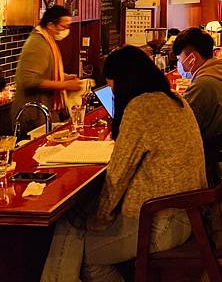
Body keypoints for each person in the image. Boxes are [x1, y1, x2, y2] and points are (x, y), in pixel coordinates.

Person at [41, 45, 206, 282]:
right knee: (72, 224)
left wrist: (100, 220)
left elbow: (117, 177)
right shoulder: (175, 100)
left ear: (125, 83)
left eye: (113, 88)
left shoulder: (140, 109)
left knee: (80, 251)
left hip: (159, 223)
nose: (115, 96)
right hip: (188, 214)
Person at [12, 5, 82, 135]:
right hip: (34, 114)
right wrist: (65, 85)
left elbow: (46, 72)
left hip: (44, 111)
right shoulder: (38, 43)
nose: (67, 30)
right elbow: (29, 80)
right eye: (64, 26)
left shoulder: (47, 40)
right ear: (50, 25)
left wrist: (64, 76)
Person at [173, 27, 222, 141]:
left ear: (192, 58)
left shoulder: (203, 85)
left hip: (210, 146)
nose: (179, 64)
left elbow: (181, 125)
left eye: (179, 58)